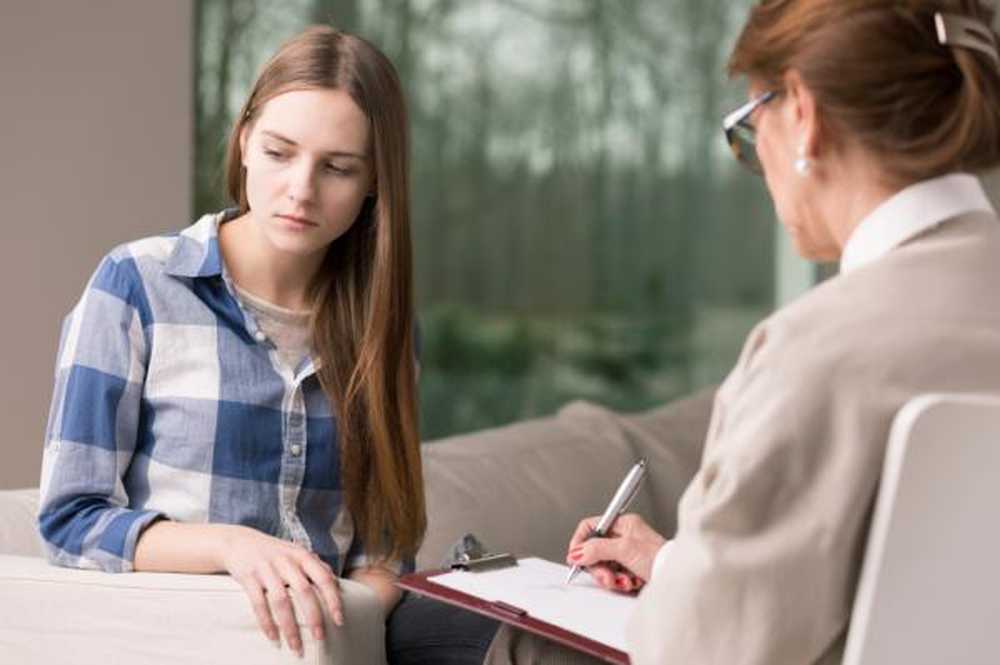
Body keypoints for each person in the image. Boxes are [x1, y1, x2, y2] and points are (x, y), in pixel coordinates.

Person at [485, 0, 1000, 663]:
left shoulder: (820, 353)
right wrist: (674, 563)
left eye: (749, 132)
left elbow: (696, 650)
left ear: (804, 116)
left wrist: (679, 598)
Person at [37, 26, 497, 664]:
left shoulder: (383, 325)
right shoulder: (136, 284)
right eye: (281, 152)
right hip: (184, 636)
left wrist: (347, 624)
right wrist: (230, 546)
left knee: (527, 643)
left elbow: (385, 549)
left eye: (338, 167)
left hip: (331, 640)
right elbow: (70, 519)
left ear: (373, 183)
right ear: (246, 140)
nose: (301, 189)